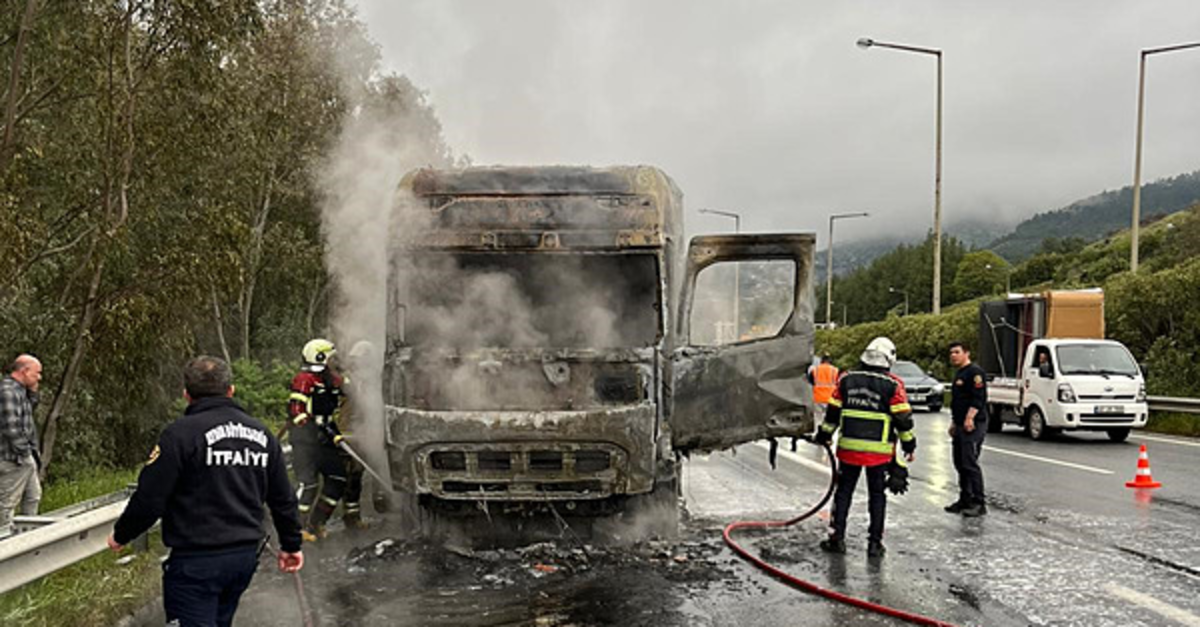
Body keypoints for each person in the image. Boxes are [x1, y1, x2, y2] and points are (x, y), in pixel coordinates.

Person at [107, 356, 303, 627]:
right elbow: (283, 498)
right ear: (230, 390)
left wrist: (121, 535)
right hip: (243, 559)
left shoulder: (179, 435)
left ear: (187, 394)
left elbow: (150, 498)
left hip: (196, 563)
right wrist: (291, 545)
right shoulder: (262, 435)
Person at [814, 337, 916, 558]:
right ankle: (874, 545)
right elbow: (903, 420)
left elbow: (832, 413)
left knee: (843, 494)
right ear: (889, 359)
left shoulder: (846, 379)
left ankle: (836, 539)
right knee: (877, 497)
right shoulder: (893, 384)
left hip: (848, 449)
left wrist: (824, 435)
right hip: (878, 454)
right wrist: (909, 446)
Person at [288, 338, 358, 540]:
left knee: (338, 479)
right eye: (332, 358)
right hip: (305, 440)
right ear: (320, 358)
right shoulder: (304, 379)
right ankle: (296, 529)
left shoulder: (332, 379)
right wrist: (314, 430)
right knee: (308, 484)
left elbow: (352, 391)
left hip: (326, 437)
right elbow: (297, 412)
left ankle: (316, 523)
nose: (335, 361)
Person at [945, 341, 989, 517]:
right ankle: (965, 499)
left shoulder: (975, 373)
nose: (953, 355)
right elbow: (957, 402)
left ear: (966, 353)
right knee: (960, 463)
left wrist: (970, 417)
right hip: (961, 424)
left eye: (957, 352)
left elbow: (979, 398)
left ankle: (979, 502)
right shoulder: (959, 374)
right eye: (951, 353)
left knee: (970, 463)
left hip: (974, 424)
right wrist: (955, 423)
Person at [1, 355, 43, 532]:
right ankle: (4, 546)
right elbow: (11, 428)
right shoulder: (8, 391)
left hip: (25, 457)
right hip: (12, 458)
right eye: (37, 373)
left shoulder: (19, 390)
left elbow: (27, 412)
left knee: (33, 496)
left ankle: (27, 541)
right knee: (7, 503)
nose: (39, 377)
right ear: (24, 371)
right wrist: (25, 453)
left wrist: (33, 391)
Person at [807, 353, 840, 427]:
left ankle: (818, 434)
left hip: (818, 398)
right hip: (831, 399)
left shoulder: (815, 370)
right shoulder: (835, 370)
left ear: (821, 361)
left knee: (818, 419)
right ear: (830, 361)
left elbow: (810, 382)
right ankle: (827, 435)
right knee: (829, 420)